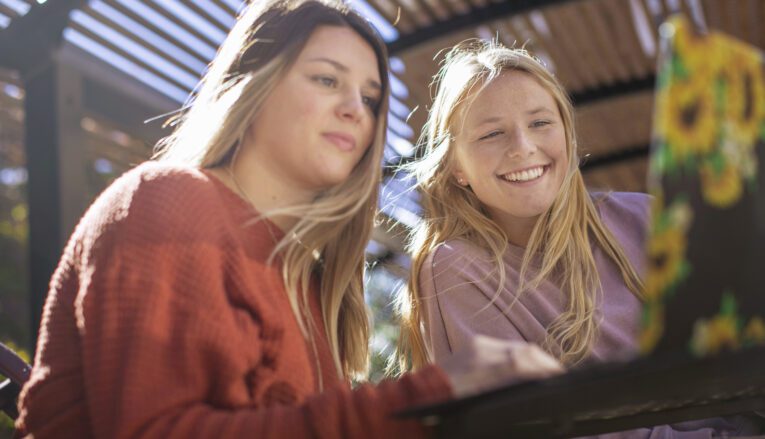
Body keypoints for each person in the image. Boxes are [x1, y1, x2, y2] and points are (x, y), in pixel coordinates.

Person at [15, 3, 563, 438]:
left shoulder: (308, 276)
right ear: (255, 84)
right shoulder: (165, 202)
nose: (356, 109)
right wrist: (425, 400)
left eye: (371, 98)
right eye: (327, 80)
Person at [395, 41, 760, 437]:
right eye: (492, 134)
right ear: (455, 167)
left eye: (540, 123)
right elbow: (533, 425)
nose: (523, 147)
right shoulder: (456, 270)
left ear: (568, 135)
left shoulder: (647, 216)